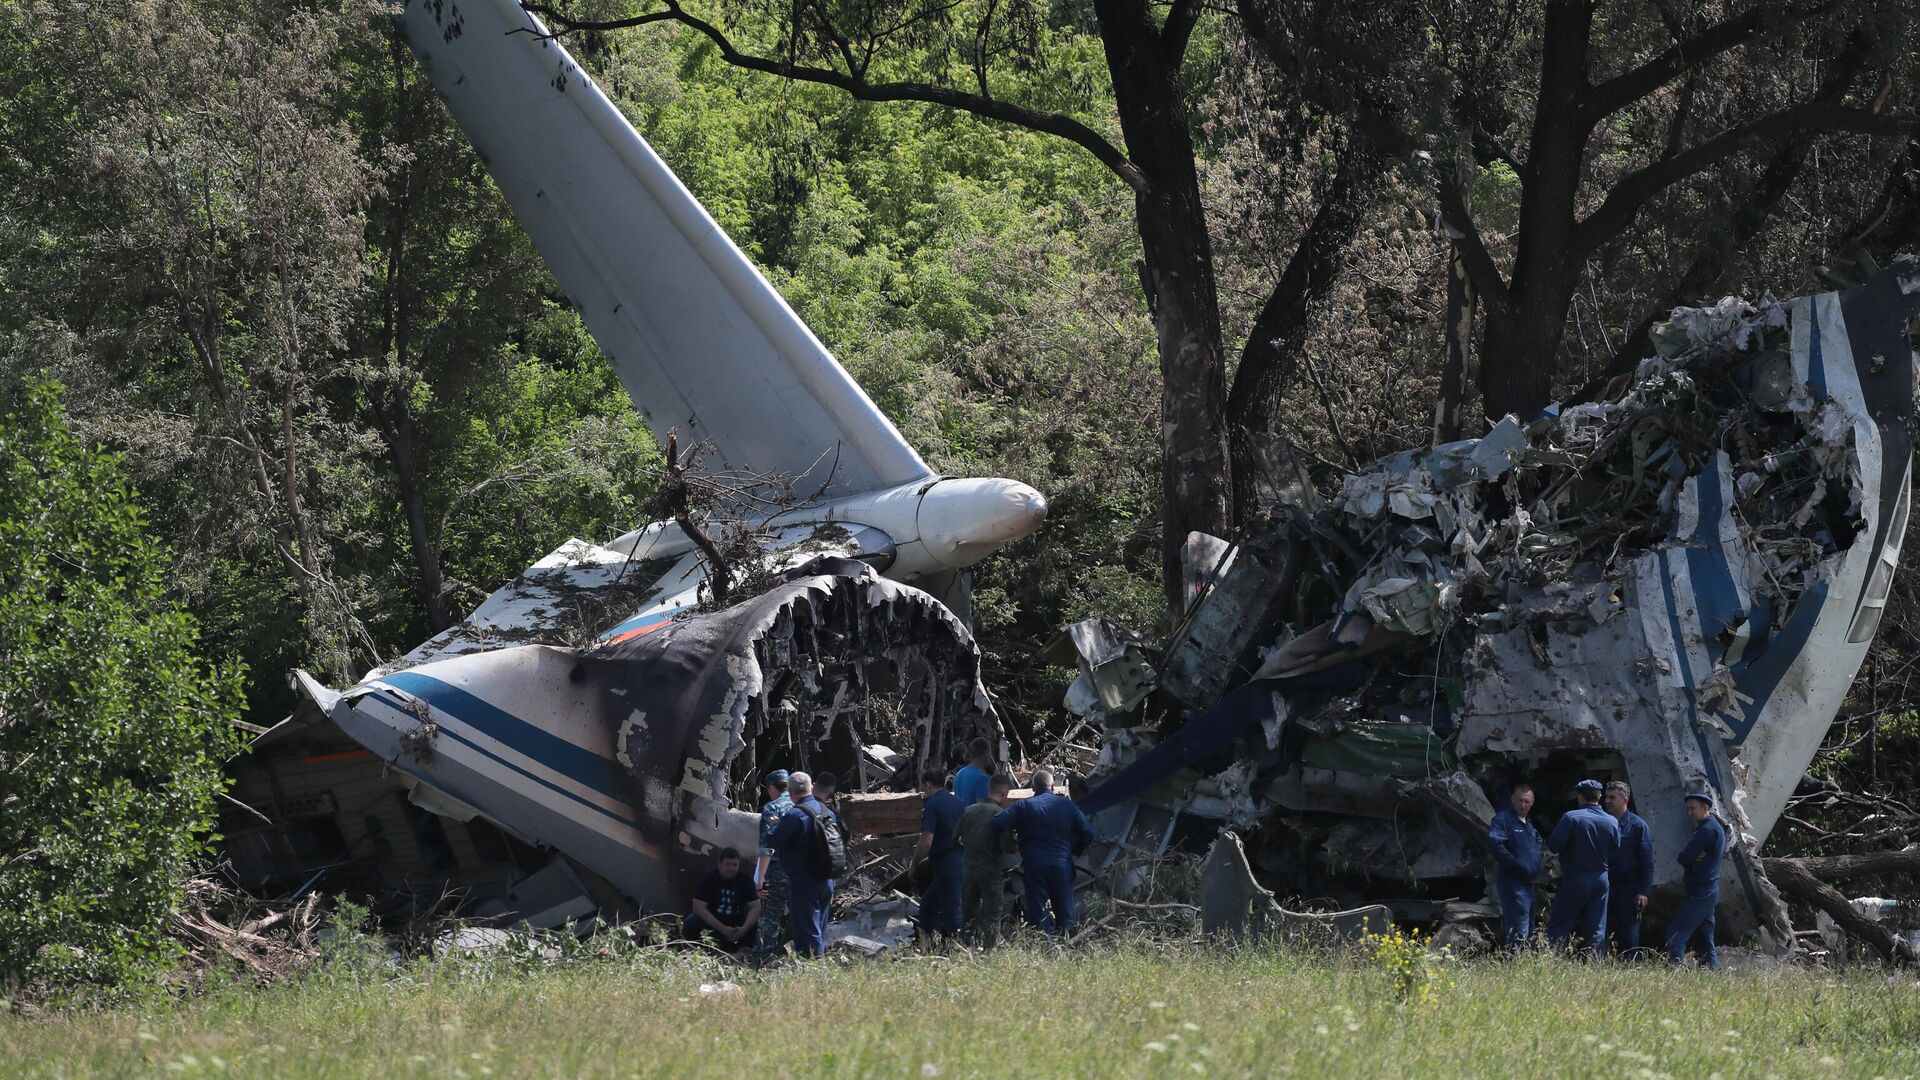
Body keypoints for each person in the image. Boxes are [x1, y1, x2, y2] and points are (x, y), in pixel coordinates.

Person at [992, 769, 1093, 935]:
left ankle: (1042, 947)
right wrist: (1075, 851)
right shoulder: (1067, 805)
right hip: (1062, 865)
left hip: (1035, 866)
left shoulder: (1022, 806)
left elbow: (998, 823)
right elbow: (1088, 833)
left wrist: (1012, 833)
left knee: (1037, 915)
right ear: (1052, 786)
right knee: (1066, 912)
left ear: (1033, 787)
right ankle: (1067, 945)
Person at [765, 770, 841, 958]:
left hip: (804, 881)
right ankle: (816, 965)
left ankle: (813, 971)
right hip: (827, 879)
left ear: (790, 792)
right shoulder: (827, 811)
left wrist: (774, 824)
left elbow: (773, 840)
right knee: (819, 928)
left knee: (807, 931)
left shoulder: (795, 815)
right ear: (811, 787)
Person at [1545, 778, 1620, 954]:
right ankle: (1594, 964)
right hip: (1601, 878)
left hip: (1576, 877)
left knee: (1560, 922)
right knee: (1597, 926)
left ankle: (1553, 959)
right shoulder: (1612, 822)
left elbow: (1554, 845)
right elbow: (1615, 847)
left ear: (1579, 797)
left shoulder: (1571, 818)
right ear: (1599, 796)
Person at [1664, 790, 1726, 968]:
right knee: (1705, 936)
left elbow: (1684, 857)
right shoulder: (1712, 827)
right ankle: (1711, 968)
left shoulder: (1706, 830)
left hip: (1702, 891)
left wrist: (1691, 857)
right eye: (1688, 808)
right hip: (1707, 889)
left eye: (1692, 808)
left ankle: (1674, 968)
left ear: (1705, 808)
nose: (1689, 813)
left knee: (1675, 933)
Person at [956, 772, 1016, 947]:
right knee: (992, 915)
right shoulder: (1001, 814)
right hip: (992, 874)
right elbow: (1008, 847)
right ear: (1004, 793)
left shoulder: (968, 811)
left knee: (968, 914)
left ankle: (965, 948)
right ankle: (989, 951)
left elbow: (955, 840)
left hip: (970, 872)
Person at [913, 768, 967, 943]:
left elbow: (926, 841)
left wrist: (914, 865)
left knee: (952, 914)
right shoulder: (959, 804)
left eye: (923, 787)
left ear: (928, 785)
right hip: (962, 861)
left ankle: (958, 951)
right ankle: (932, 946)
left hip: (947, 864)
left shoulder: (932, 805)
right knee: (928, 906)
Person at [1487, 783, 1542, 953]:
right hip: (1513, 882)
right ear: (1512, 799)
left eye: (1527, 801)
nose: (1523, 805)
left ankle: (1524, 962)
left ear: (1532, 803)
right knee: (1519, 927)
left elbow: (1538, 842)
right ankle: (1514, 962)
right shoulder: (1503, 820)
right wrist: (1515, 864)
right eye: (1520, 800)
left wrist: (1538, 861)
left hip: (1529, 882)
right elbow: (1495, 844)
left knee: (1529, 927)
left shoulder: (1528, 823)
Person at [1602, 780, 1654, 957]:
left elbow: (1646, 861)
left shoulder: (1638, 826)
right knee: (1602, 928)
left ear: (1624, 799)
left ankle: (1630, 965)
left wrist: (1643, 891)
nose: (1607, 801)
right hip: (1605, 884)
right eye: (1606, 797)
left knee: (1628, 931)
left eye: (1612, 797)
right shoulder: (1602, 822)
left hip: (1628, 887)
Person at [683, 847, 761, 952]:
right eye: (728, 864)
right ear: (719, 864)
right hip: (713, 922)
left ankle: (742, 954)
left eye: (734, 865)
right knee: (692, 922)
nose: (731, 868)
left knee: (754, 922)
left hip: (736, 924)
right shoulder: (708, 878)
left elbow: (756, 907)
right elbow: (698, 908)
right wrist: (723, 928)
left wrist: (744, 929)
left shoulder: (745, 879)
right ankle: (695, 951)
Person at [752, 769, 792, 960]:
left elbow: (766, 847)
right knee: (799, 917)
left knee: (769, 919)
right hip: (798, 874)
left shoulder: (771, 808)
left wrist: (760, 878)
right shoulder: (801, 806)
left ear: (771, 788)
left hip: (775, 874)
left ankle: (763, 961)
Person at [953, 738, 994, 807]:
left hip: (959, 817)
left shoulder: (959, 774)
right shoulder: (982, 778)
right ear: (986, 753)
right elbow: (982, 809)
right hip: (973, 817)